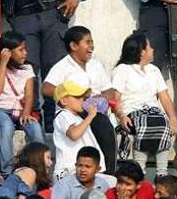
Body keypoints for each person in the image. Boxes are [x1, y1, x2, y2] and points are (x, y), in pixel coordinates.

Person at [42, 26, 119, 169]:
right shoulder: (62, 66)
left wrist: (101, 97)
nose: (92, 46)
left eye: (92, 42)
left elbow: (110, 91)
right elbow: (46, 88)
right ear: (73, 45)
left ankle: (109, 173)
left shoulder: (96, 65)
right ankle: (107, 173)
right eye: (87, 42)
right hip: (75, 112)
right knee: (102, 124)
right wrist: (72, 96)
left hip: (97, 110)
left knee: (107, 130)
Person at [111, 32, 177, 172]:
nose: (153, 49)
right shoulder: (122, 69)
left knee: (162, 123)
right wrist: (122, 116)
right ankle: (140, 170)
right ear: (142, 51)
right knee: (148, 124)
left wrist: (173, 118)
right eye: (150, 47)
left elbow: (165, 98)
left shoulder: (154, 70)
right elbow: (115, 98)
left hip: (153, 112)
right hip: (132, 112)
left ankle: (162, 172)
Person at [0, 33, 47, 177]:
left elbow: (30, 95)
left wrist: (26, 112)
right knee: (6, 126)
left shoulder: (28, 69)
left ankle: (40, 170)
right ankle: (7, 172)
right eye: (20, 50)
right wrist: (3, 64)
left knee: (36, 128)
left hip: (21, 111)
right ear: (7, 51)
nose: (25, 53)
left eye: (25, 49)